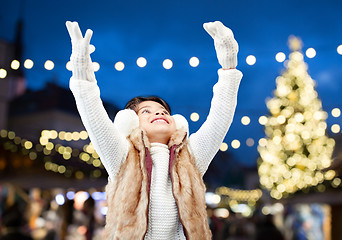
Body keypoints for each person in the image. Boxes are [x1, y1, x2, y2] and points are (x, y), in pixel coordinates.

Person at [66, 20, 242, 240]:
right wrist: (82, 76)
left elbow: (220, 119)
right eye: (146, 112)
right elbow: (94, 117)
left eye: (163, 111)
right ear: (131, 122)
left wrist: (229, 69)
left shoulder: (190, 156)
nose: (159, 114)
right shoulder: (123, 155)